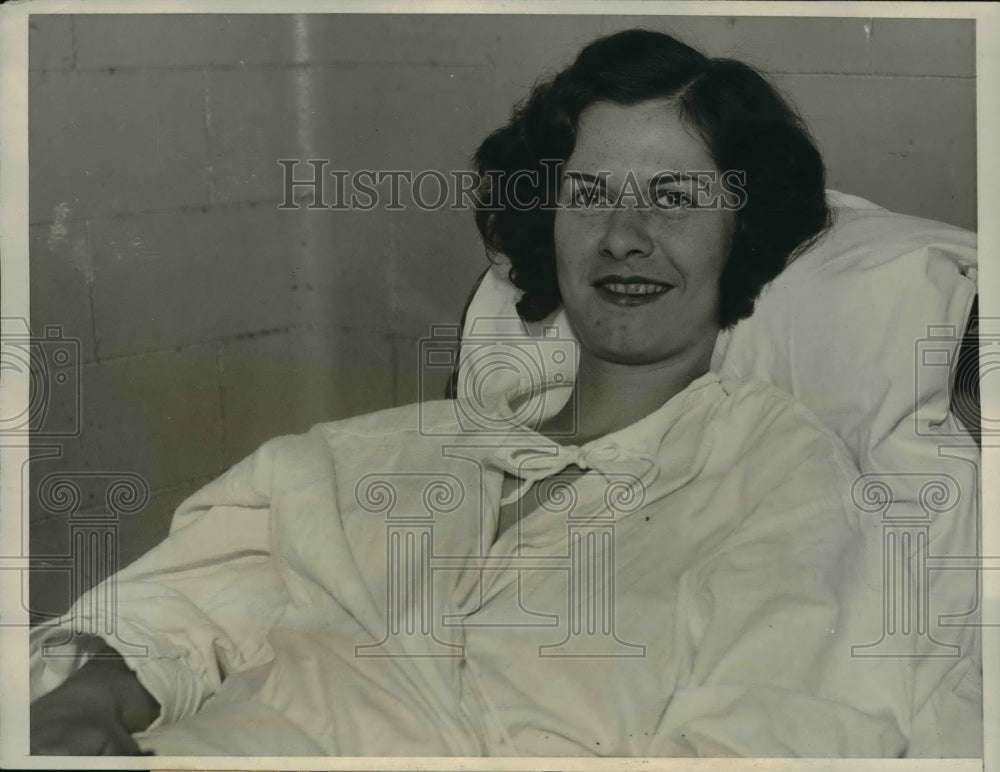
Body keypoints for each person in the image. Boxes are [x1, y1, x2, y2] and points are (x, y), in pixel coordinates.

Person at [29, 29, 913, 757]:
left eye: (674, 198)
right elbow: (177, 609)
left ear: (742, 231)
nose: (624, 237)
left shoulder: (776, 476)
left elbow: (778, 732)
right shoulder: (374, 458)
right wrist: (85, 703)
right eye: (590, 195)